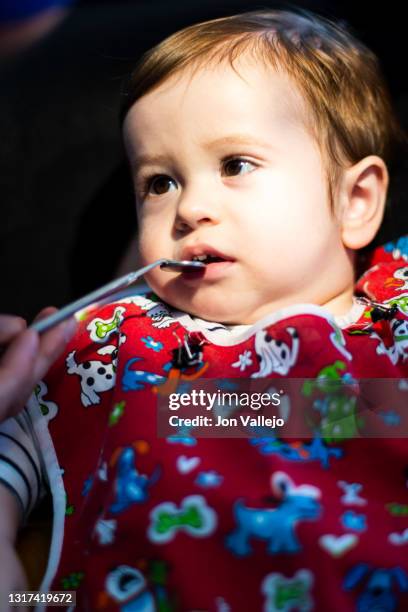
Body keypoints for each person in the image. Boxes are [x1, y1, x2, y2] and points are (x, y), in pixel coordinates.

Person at [1, 8, 408, 611]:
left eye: (235, 165)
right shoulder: (110, 345)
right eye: (159, 182)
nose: (189, 207)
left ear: (356, 201)